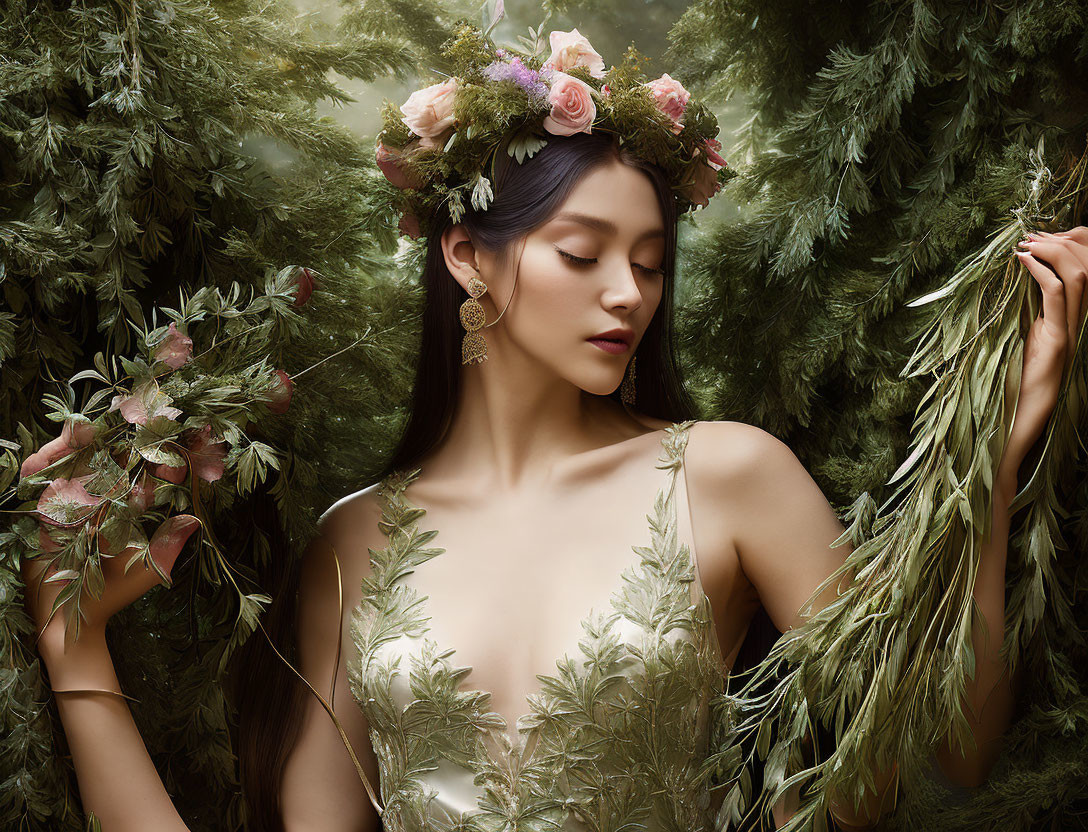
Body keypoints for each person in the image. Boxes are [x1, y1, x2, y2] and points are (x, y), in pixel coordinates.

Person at [21, 22, 1088, 832]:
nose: (627, 293)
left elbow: (941, 745)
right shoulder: (355, 540)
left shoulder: (722, 476)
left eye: (651, 262)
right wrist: (78, 652)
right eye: (582, 255)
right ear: (464, 256)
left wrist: (985, 466)